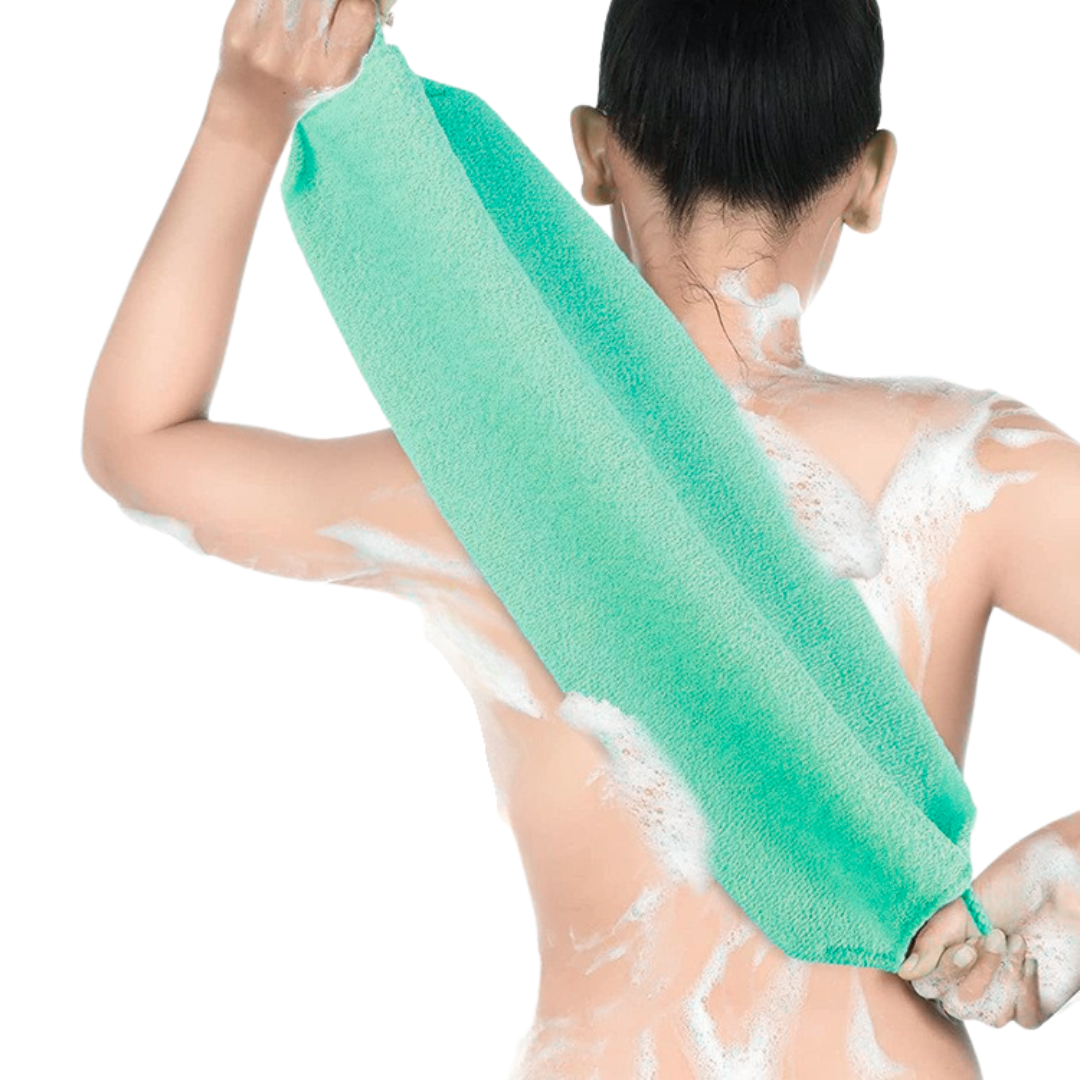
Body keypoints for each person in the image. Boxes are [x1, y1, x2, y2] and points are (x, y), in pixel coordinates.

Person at [81, 0, 1080, 1075]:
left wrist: (246, 116)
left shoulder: (480, 484)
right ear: (873, 179)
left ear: (596, 158)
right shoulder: (974, 470)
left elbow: (141, 445)